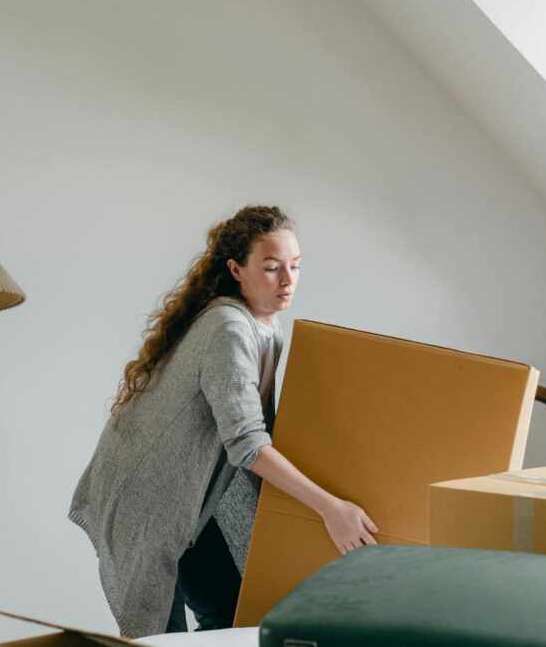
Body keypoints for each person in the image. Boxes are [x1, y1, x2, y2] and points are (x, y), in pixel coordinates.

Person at [69, 205, 377, 638]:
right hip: (148, 497)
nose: (287, 281)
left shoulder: (270, 328)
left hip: (194, 495)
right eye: (271, 268)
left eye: (295, 266)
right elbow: (248, 444)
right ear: (236, 268)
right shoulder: (228, 329)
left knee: (232, 617)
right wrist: (331, 508)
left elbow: (263, 429)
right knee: (158, 635)